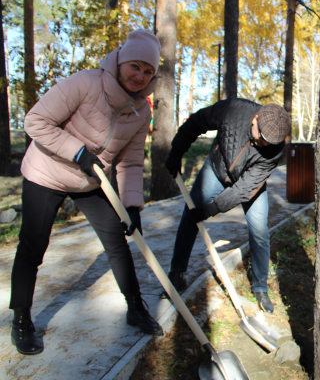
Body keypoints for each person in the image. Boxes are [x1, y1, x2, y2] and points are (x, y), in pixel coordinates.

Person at [10, 29, 163, 356]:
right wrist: (77, 151)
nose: (140, 76)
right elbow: (35, 121)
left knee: (117, 242)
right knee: (33, 245)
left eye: (148, 71)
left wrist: (132, 204)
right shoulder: (85, 83)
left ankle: (135, 308)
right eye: (135, 66)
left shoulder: (142, 110)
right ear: (121, 61)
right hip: (47, 172)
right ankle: (21, 319)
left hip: (90, 180)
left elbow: (131, 162)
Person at [161, 99, 291, 314]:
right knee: (191, 214)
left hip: (249, 182)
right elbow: (197, 122)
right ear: (255, 119)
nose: (265, 145)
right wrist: (176, 152)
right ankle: (176, 273)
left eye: (271, 142)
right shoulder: (233, 110)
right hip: (217, 167)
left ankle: (259, 286)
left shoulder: (276, 149)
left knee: (259, 231)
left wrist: (212, 210)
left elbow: (243, 189)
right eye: (263, 138)